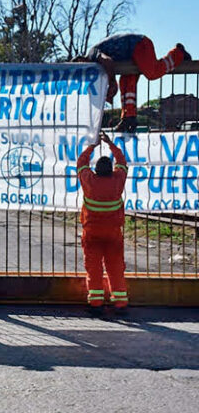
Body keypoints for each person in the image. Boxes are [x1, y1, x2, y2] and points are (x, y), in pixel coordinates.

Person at [84, 34, 191, 133]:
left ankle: (178, 53)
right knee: (126, 82)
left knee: (152, 72)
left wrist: (112, 82)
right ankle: (128, 117)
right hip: (130, 55)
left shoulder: (92, 54)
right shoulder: (94, 60)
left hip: (139, 45)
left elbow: (107, 61)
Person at [77, 132, 128, 315]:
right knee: (115, 267)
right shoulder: (118, 181)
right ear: (111, 170)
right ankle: (120, 302)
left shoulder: (89, 181)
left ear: (96, 170)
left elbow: (81, 163)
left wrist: (92, 145)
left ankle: (96, 302)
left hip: (92, 233)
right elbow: (122, 162)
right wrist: (111, 144)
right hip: (113, 233)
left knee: (94, 267)